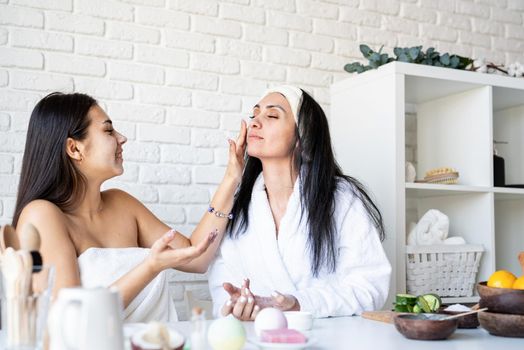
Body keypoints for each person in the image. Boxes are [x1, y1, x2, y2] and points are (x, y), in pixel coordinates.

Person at [12, 92, 246, 322]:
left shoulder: (121, 204)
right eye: (108, 130)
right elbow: (70, 319)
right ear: (74, 149)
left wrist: (231, 178)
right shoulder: (41, 216)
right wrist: (150, 267)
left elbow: (197, 257)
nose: (121, 138)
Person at [208, 85, 392, 320]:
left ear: (301, 137)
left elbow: (369, 285)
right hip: (255, 337)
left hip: (329, 338)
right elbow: (221, 282)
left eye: (272, 115)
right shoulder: (236, 206)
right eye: (254, 114)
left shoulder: (340, 198)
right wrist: (235, 305)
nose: (254, 122)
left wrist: (298, 304)